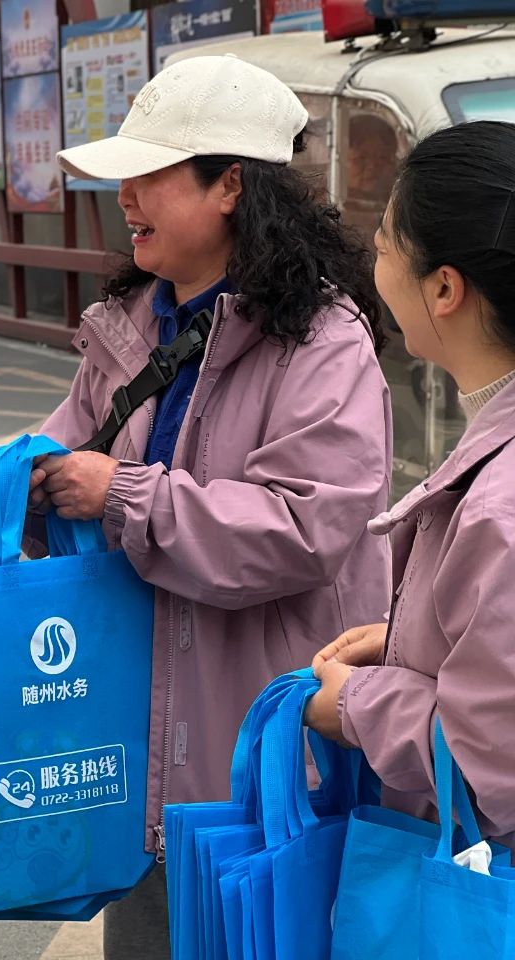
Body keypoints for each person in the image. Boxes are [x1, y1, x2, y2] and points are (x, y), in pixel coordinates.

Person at [27, 55, 393, 959]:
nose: (126, 197)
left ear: (230, 185)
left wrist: (119, 492)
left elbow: (301, 530)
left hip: (271, 772)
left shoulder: (322, 340)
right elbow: (69, 453)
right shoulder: (128, 325)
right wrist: (31, 489)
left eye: (151, 174)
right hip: (138, 756)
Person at [308, 120, 515, 848]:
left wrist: (357, 705)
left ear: (445, 288)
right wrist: (412, 648)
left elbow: (495, 769)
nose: (375, 259)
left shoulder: (499, 507)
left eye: (386, 244)